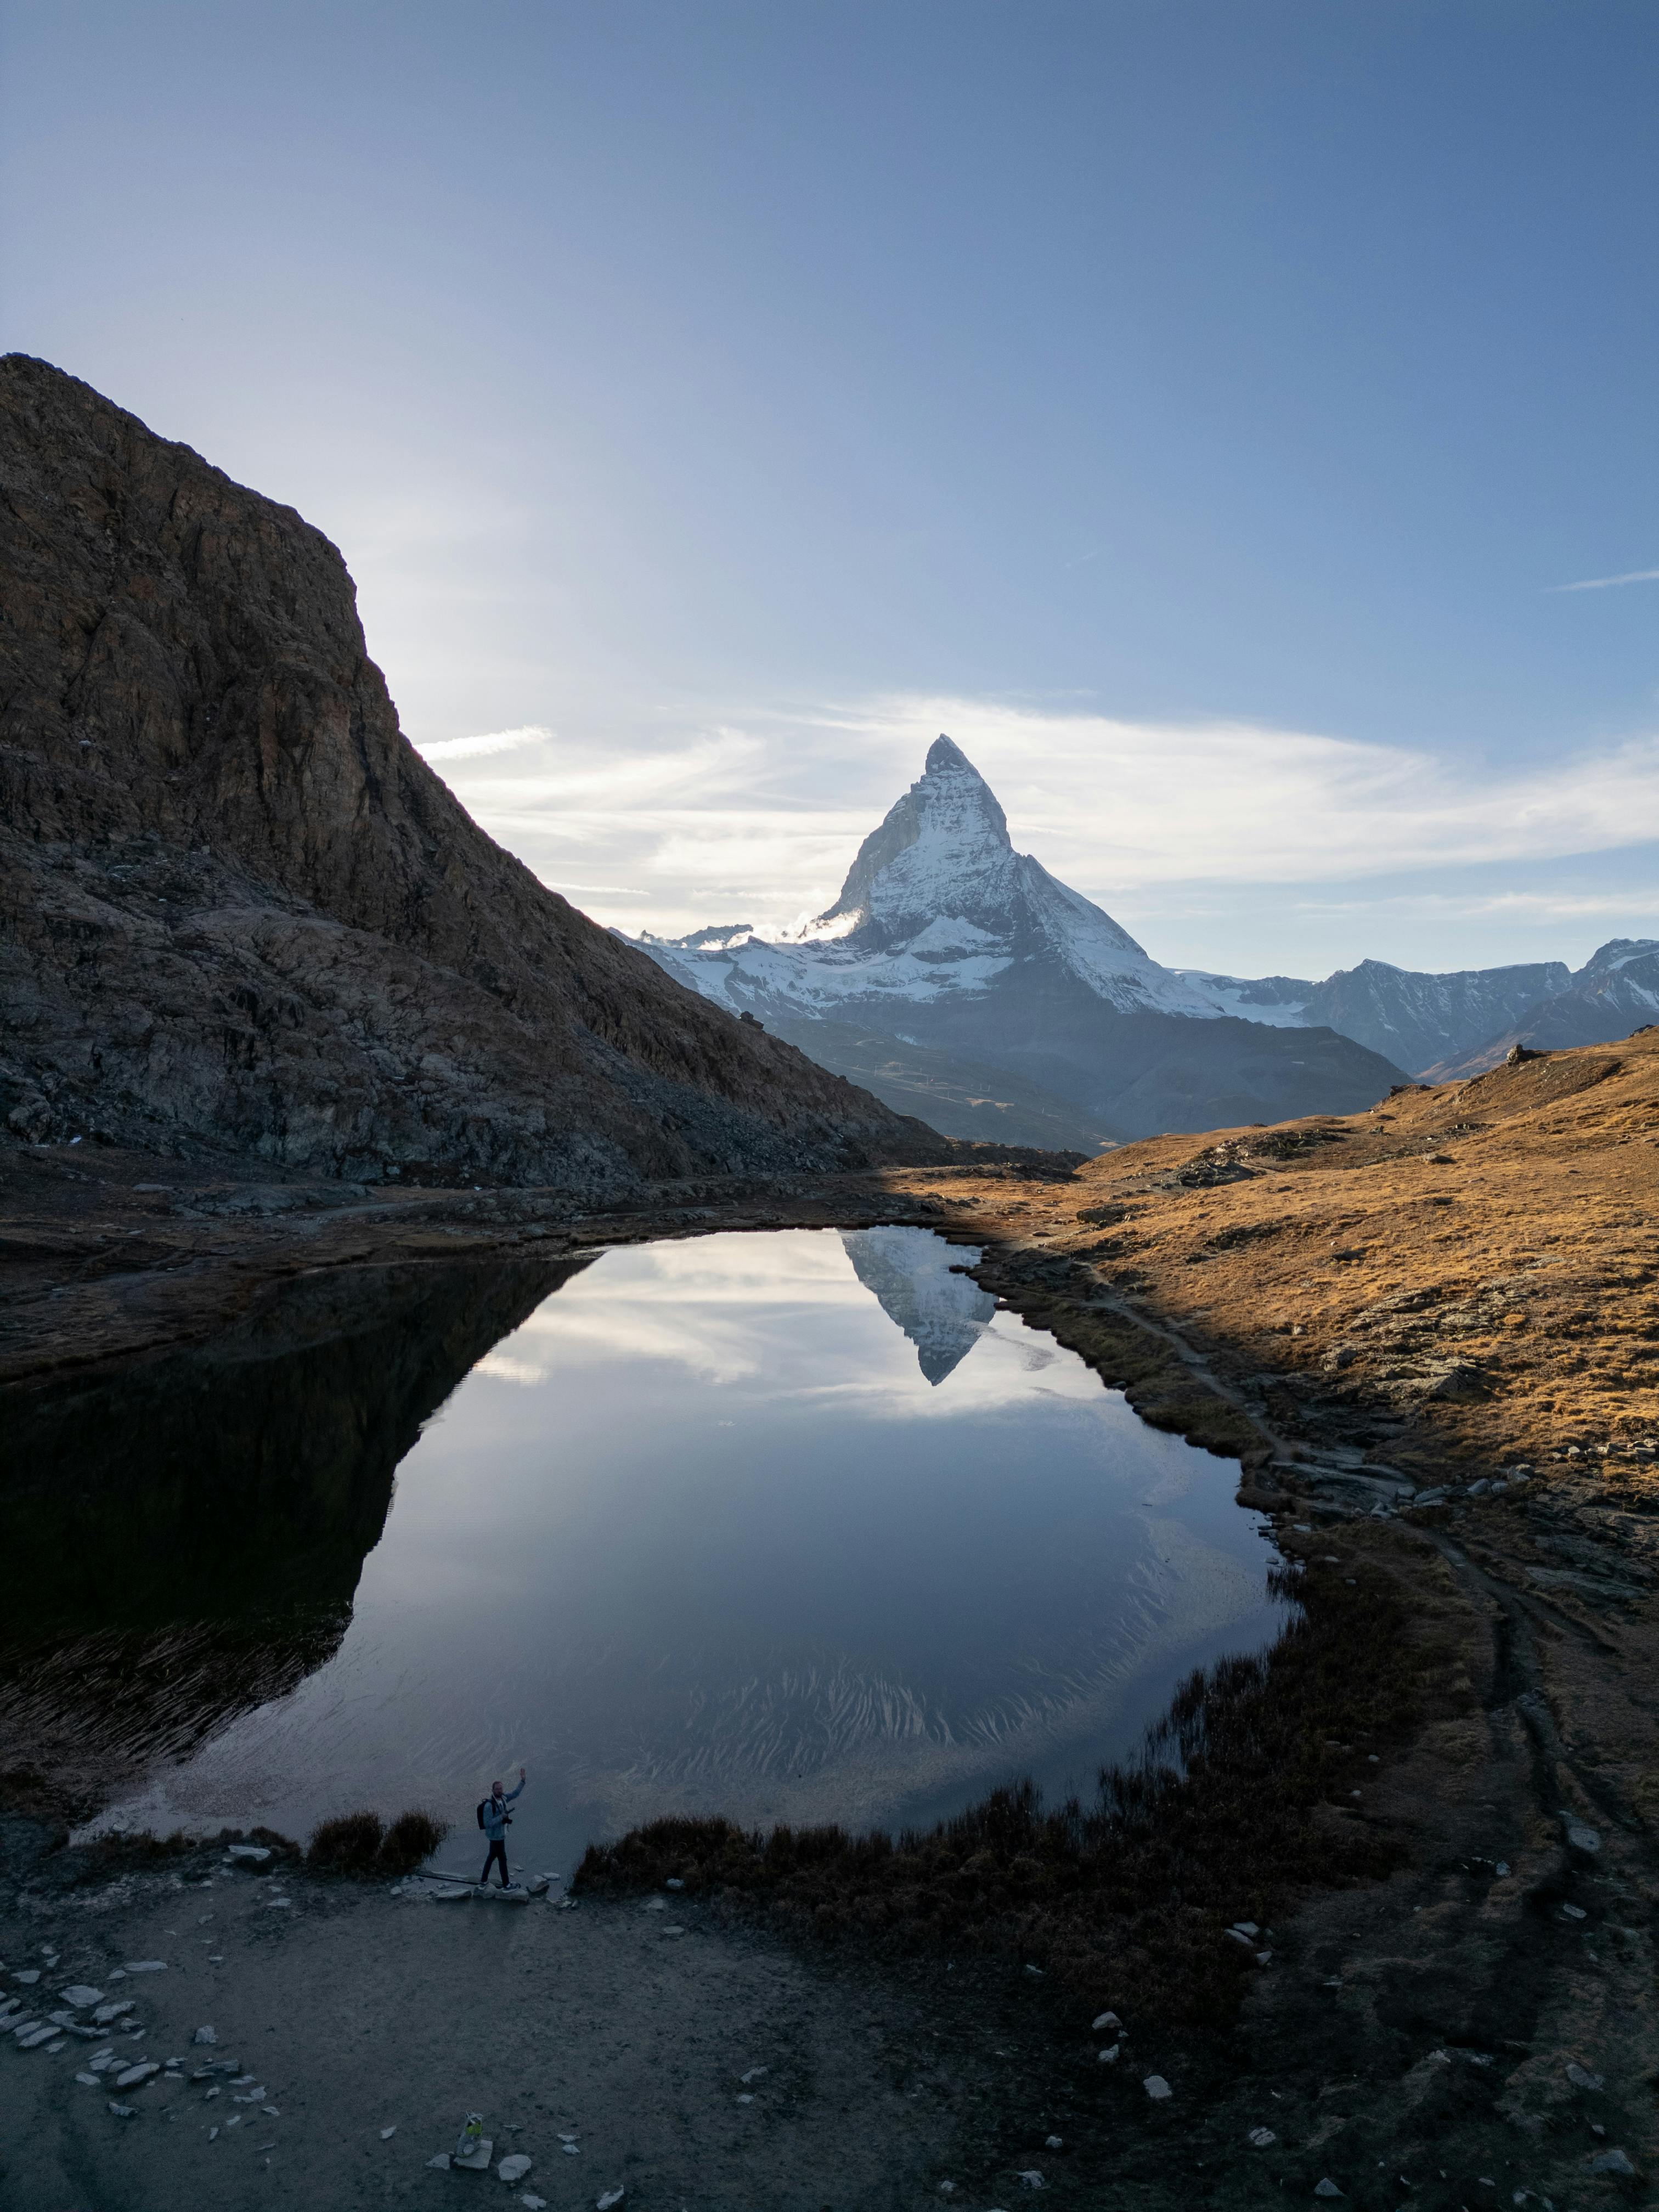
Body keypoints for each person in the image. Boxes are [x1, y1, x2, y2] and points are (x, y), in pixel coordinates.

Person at [479, 1765, 526, 1888]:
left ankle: (483, 1881)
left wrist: (523, 1781)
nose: (500, 1790)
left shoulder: (504, 1798)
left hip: (500, 1835)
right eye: (497, 1789)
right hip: (496, 1837)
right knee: (503, 1860)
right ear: (493, 1790)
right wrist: (502, 1817)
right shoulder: (489, 1806)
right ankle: (506, 1885)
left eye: (501, 1788)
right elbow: (487, 1824)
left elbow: (516, 1794)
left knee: (491, 1857)